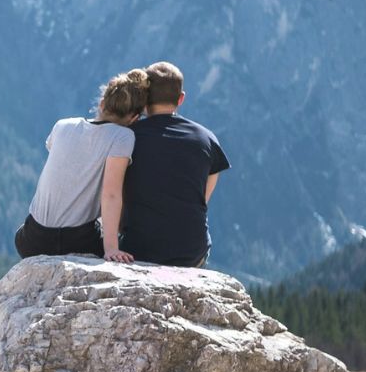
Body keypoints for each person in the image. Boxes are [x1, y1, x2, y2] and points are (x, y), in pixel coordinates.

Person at [15, 69, 149, 262]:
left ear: (102, 104)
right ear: (134, 118)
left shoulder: (62, 125)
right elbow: (111, 194)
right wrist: (111, 248)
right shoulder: (123, 137)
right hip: (76, 241)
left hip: (32, 239)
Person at [120, 61, 230, 267]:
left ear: (144, 99)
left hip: (139, 250)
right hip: (192, 253)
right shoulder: (206, 139)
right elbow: (202, 199)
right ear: (181, 99)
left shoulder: (127, 138)